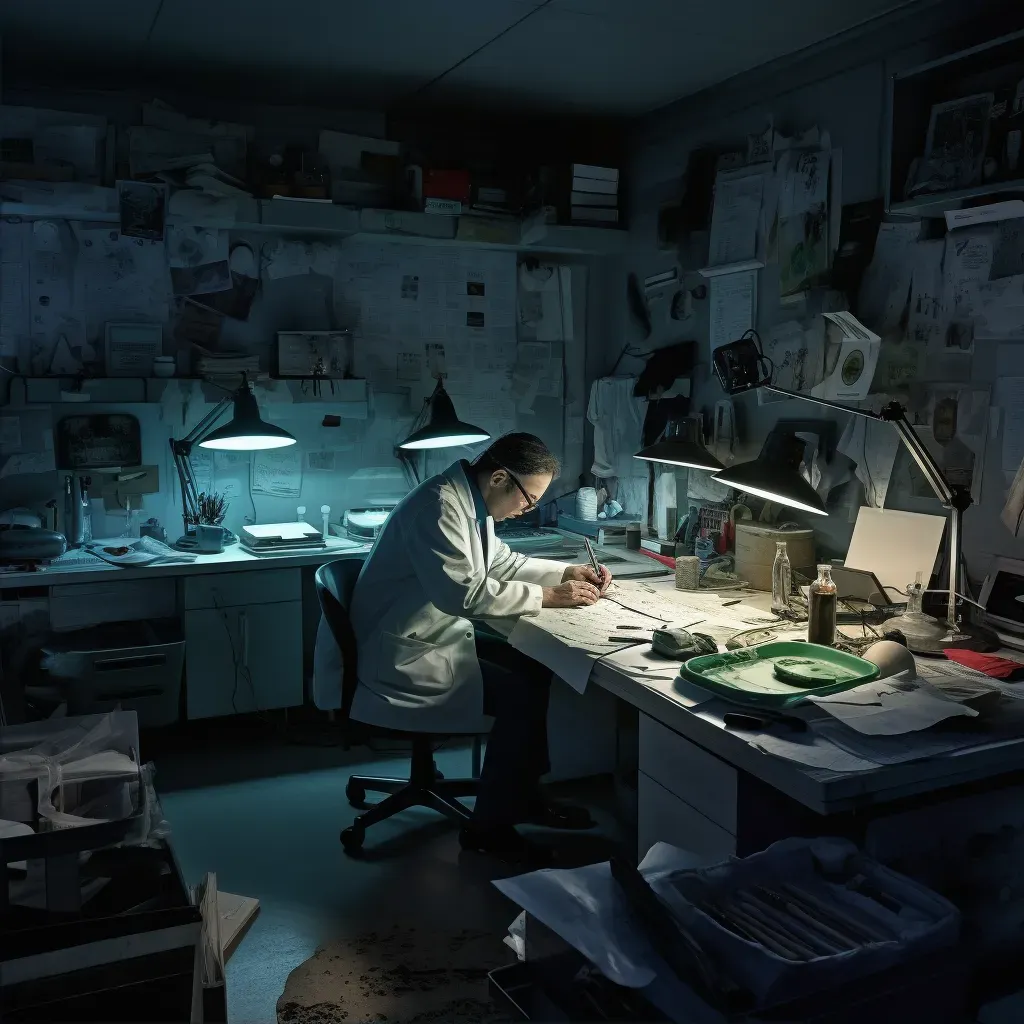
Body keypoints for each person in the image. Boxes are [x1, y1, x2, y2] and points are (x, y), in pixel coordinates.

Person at [348, 432, 611, 863]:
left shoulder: (472, 501)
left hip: (435, 634)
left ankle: (521, 795)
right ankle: (490, 829)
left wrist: (567, 572)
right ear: (500, 478)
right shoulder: (438, 507)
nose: (527, 509)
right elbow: (463, 595)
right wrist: (550, 597)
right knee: (520, 695)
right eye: (528, 500)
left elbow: (504, 563)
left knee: (536, 664)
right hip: (406, 652)